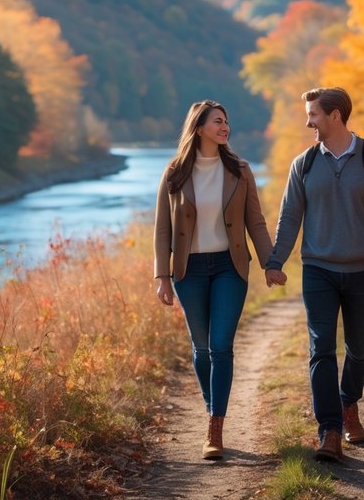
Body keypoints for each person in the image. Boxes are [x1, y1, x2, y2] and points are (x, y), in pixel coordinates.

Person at [264, 86, 364, 463]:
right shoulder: (304, 164)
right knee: (321, 348)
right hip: (318, 271)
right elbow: (289, 216)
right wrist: (275, 261)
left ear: (335, 115)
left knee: (358, 349)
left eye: (314, 115)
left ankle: (348, 404)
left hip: (361, 271)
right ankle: (330, 430)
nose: (308, 121)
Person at [154, 99, 274, 460]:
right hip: (188, 271)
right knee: (202, 348)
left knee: (221, 346)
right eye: (218, 121)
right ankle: (212, 407)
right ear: (200, 127)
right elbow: (162, 228)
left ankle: (214, 428)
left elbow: (256, 221)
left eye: (226, 121)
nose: (225, 127)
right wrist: (162, 276)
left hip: (229, 268)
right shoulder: (175, 172)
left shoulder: (239, 169)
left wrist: (271, 262)